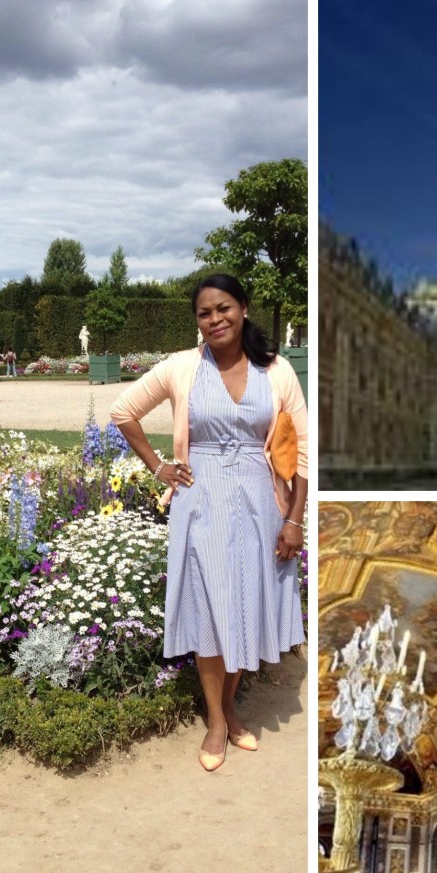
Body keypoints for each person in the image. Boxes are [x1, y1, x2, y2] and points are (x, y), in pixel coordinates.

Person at [110, 273, 307, 772]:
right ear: (196, 320)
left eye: (223, 308)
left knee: (245, 608)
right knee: (211, 609)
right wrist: (158, 466)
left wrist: (294, 521)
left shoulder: (276, 370)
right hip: (200, 500)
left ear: (242, 307)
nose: (215, 319)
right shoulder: (182, 366)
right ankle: (217, 722)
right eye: (204, 312)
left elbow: (302, 449)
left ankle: (230, 707)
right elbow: (123, 411)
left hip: (262, 502)